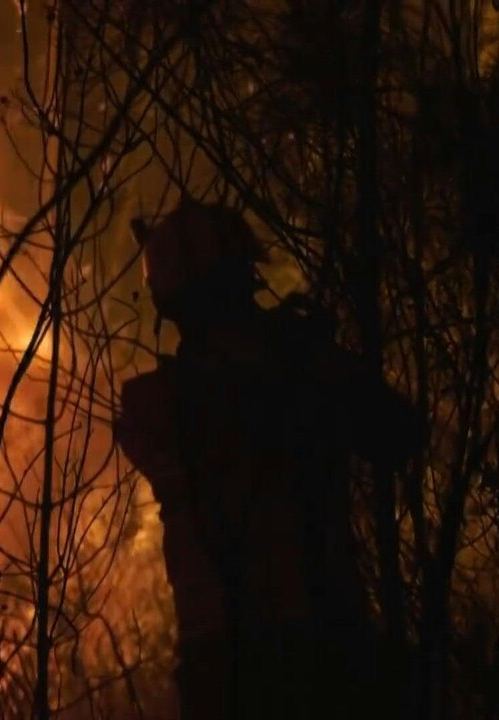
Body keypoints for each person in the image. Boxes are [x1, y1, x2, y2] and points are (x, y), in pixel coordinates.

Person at [116, 197, 425, 719]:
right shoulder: (301, 371)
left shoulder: (155, 405)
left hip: (218, 667)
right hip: (319, 648)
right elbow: (398, 433)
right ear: (237, 281)